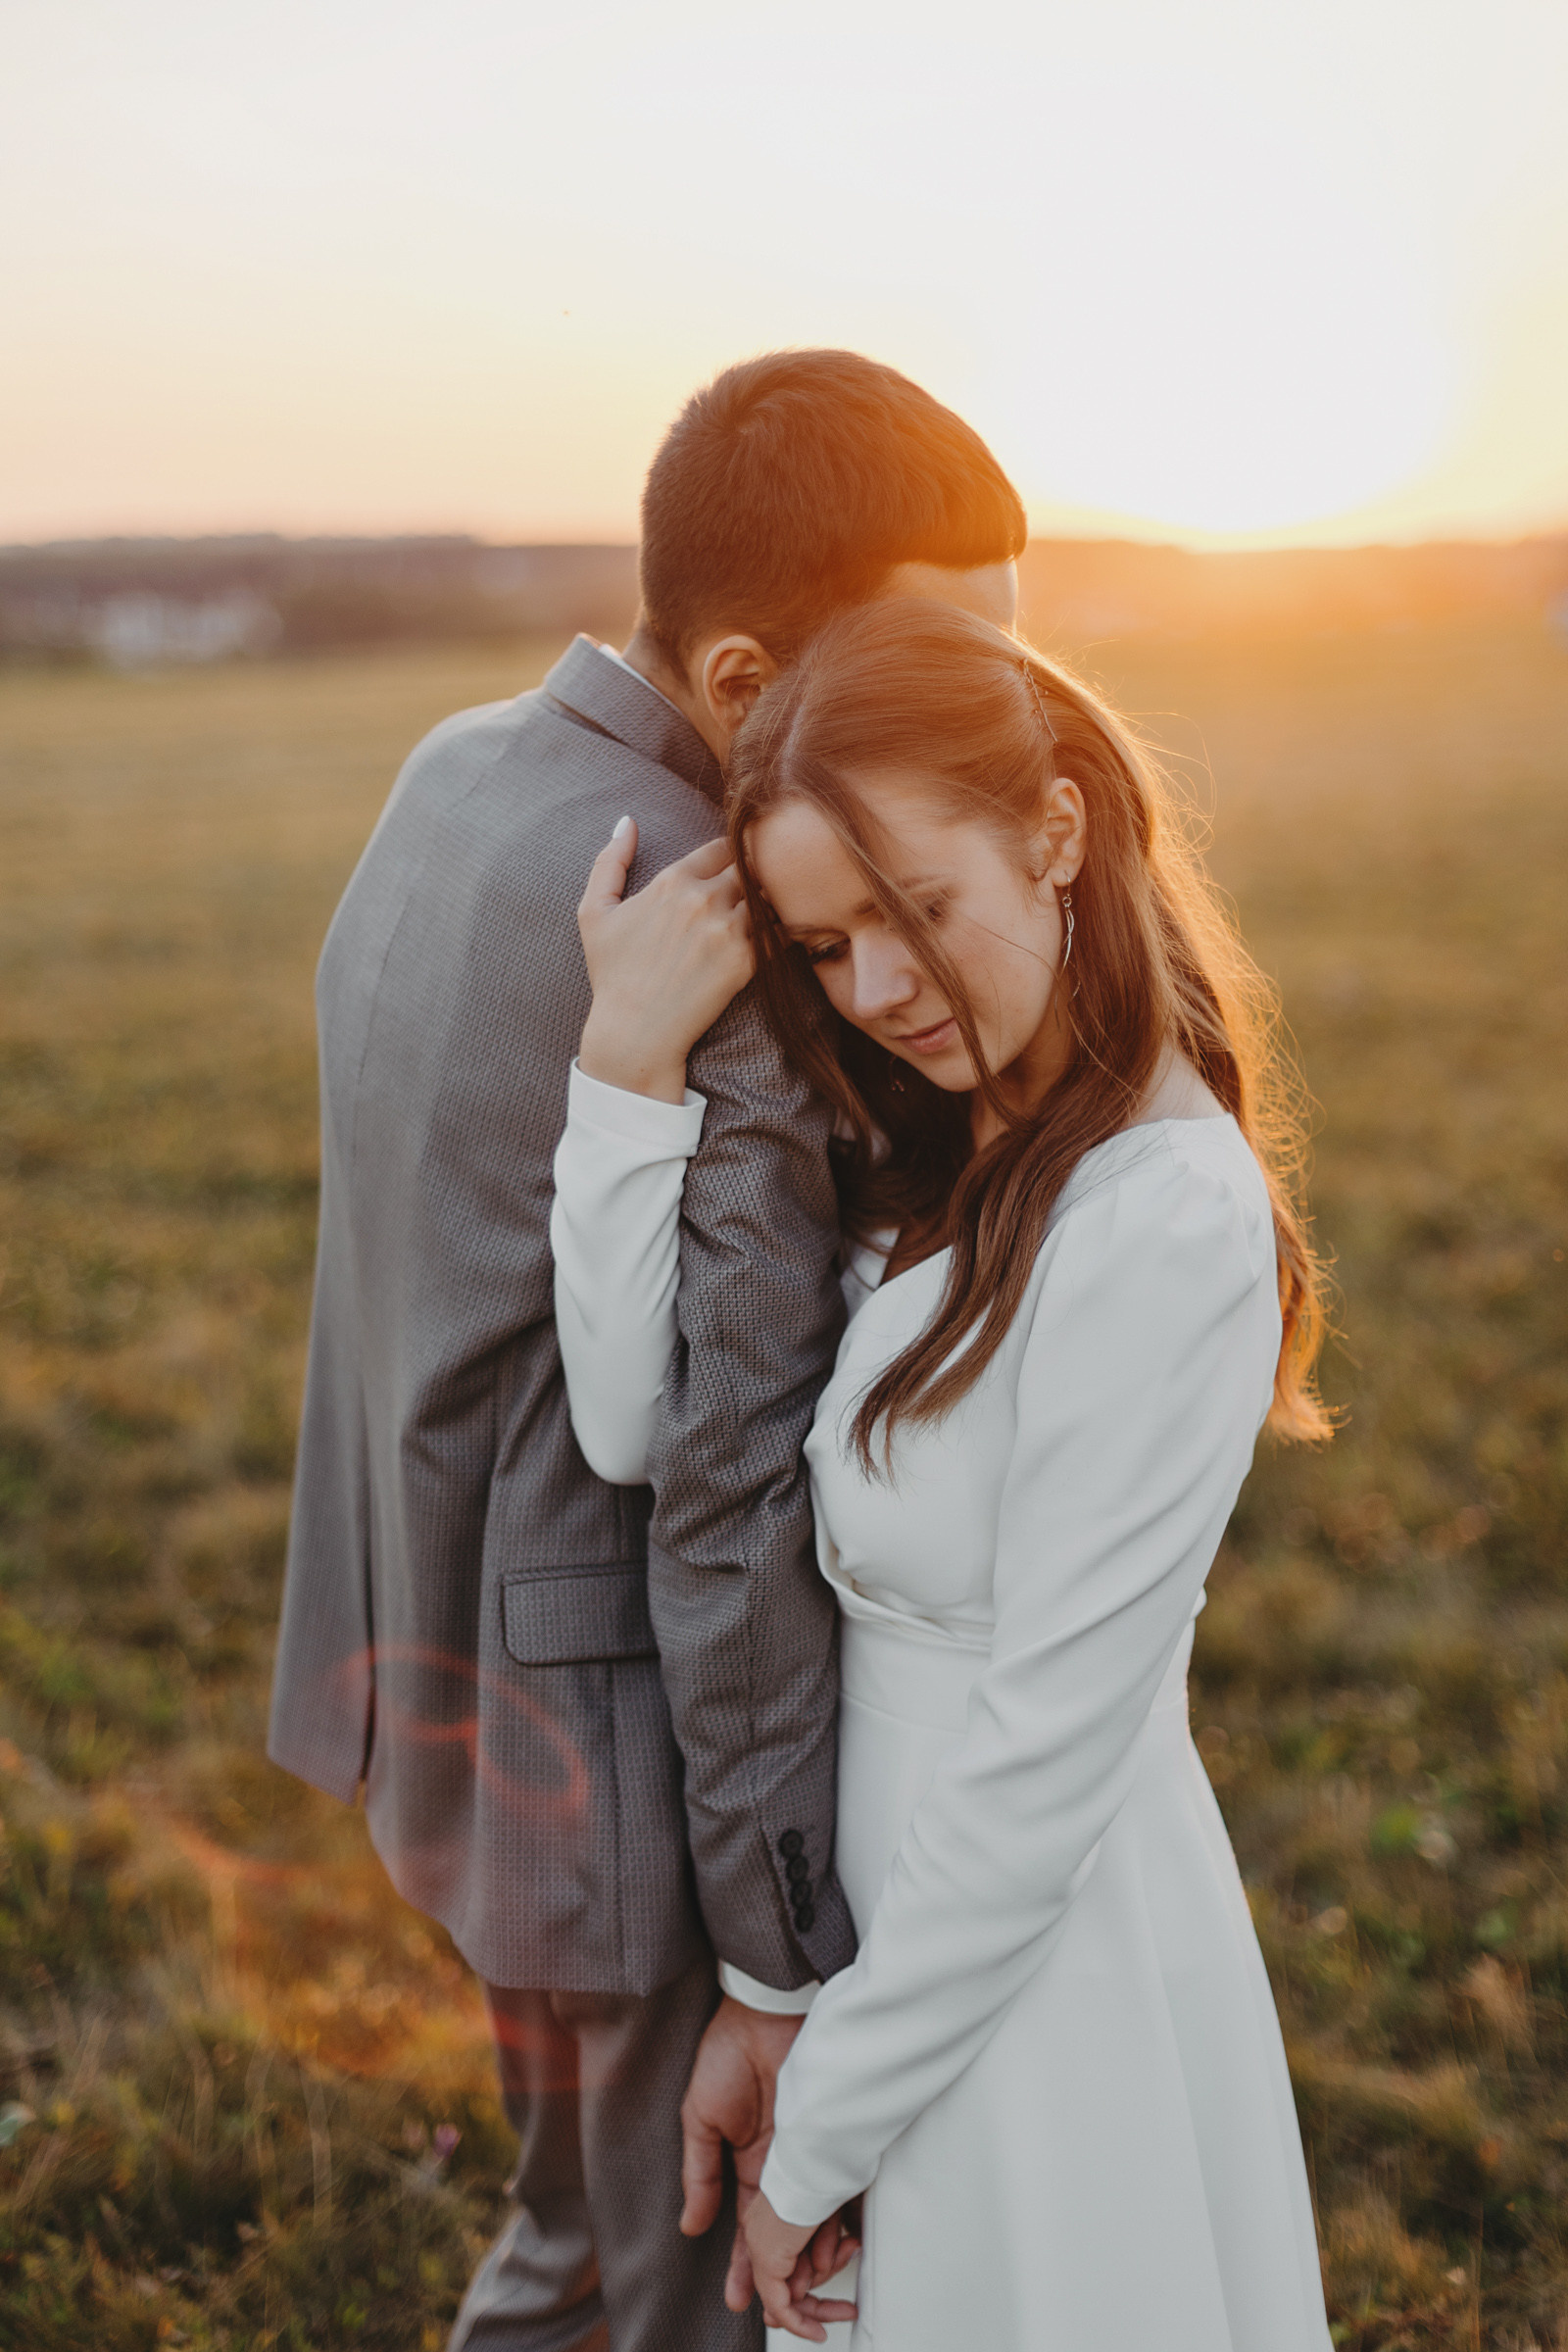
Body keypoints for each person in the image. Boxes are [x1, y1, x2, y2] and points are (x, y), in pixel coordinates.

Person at [267, 351, 1027, 2352]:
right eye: (924, 674)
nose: (984, 727)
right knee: (644, 2284)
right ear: (742, 674)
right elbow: (720, 1463)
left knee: (580, 2229)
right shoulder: (712, 924)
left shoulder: (463, 764)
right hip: (605, 1751)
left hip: (430, 1664)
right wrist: (781, 1945)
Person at [550, 596, 1338, 2349]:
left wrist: (812, 2148)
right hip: (870, 1955)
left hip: (1038, 1974)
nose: (880, 990)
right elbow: (641, 1429)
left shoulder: (1157, 1216)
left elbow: (1045, 1762)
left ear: (1056, 830)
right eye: (824, 949)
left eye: (912, 917)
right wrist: (625, 1073)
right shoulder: (931, 1160)